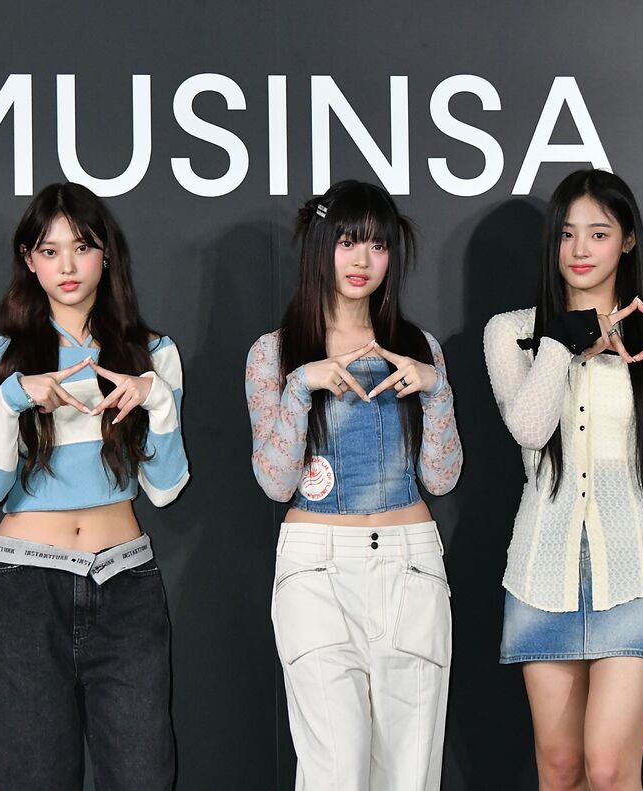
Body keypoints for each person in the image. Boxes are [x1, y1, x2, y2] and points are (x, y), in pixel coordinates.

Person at [484, 169, 643, 791]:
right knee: (561, 768)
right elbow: (531, 430)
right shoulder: (512, 332)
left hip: (639, 570)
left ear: (628, 240)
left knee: (611, 768)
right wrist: (565, 341)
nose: (581, 250)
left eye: (598, 233)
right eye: (567, 234)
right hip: (542, 573)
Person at [0, 182, 188, 790]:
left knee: (144, 778)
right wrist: (14, 398)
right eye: (49, 250)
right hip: (22, 587)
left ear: (106, 254)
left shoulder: (153, 353)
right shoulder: (0, 356)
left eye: (82, 247)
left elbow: (166, 487)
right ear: (29, 260)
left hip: (125, 583)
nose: (67, 265)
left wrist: (155, 399)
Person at [245, 179, 462, 790]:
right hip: (316, 569)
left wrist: (436, 390)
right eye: (347, 242)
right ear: (321, 246)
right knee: (333, 773)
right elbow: (274, 481)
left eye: (377, 244)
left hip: (410, 563)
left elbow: (442, 476)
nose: (362, 259)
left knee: (410, 776)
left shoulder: (419, 349)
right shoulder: (275, 353)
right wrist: (300, 386)